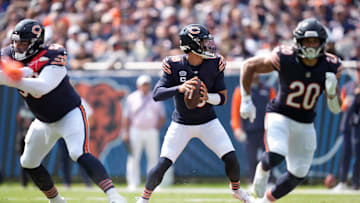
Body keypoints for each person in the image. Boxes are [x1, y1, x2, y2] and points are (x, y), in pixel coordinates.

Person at [0, 19, 127, 203]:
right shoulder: (8, 54)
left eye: (23, 43)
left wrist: (15, 77)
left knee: (78, 152)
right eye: (16, 42)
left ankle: (114, 196)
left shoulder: (54, 54)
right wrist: (16, 74)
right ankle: (56, 200)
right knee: (28, 162)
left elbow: (42, 87)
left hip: (69, 114)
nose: (17, 47)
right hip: (43, 120)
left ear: (35, 43)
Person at [136, 24, 253, 203]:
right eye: (203, 42)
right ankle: (143, 200)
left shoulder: (215, 63)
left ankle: (236, 191)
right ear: (192, 45)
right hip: (181, 123)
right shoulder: (173, 64)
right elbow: (157, 94)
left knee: (231, 158)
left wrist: (207, 97)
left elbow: (222, 98)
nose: (208, 45)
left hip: (208, 122)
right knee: (162, 164)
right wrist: (179, 88)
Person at [239, 18, 342, 203]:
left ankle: (263, 202)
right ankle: (262, 168)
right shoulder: (285, 57)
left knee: (299, 173)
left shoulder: (332, 65)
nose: (311, 45)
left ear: (322, 43)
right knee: (276, 153)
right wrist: (246, 100)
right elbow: (249, 65)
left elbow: (335, 109)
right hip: (280, 115)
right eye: (307, 41)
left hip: (306, 122)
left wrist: (333, 93)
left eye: (315, 41)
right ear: (298, 42)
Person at [122, 74, 166, 191]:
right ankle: (133, 183)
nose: (145, 87)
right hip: (136, 130)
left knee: (153, 158)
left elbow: (162, 116)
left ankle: (153, 185)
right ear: (138, 86)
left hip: (151, 131)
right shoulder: (132, 98)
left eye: (147, 84)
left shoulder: (155, 97)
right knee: (134, 158)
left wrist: (156, 128)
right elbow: (127, 117)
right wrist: (126, 132)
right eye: (143, 85)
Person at [231, 74, 276, 183]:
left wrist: (275, 126)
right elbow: (235, 111)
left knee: (268, 156)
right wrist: (237, 128)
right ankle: (252, 181)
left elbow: (276, 108)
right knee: (251, 159)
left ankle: (269, 181)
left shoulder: (268, 88)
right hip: (250, 130)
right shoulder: (240, 90)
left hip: (266, 129)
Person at [333, 68, 360, 191]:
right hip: (348, 124)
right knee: (345, 154)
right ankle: (342, 181)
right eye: (358, 71)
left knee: (357, 155)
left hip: (358, 125)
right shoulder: (348, 86)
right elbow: (342, 105)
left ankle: (356, 183)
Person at [16, 104, 34, 187]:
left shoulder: (35, 108)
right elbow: (19, 122)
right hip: (23, 136)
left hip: (33, 137)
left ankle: (37, 182)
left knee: (35, 161)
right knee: (23, 161)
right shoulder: (22, 109)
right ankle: (24, 182)